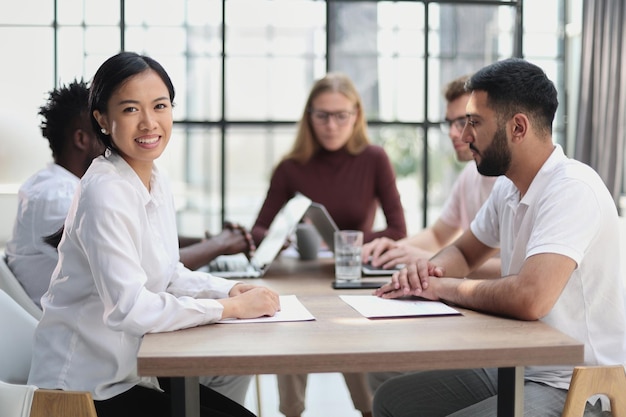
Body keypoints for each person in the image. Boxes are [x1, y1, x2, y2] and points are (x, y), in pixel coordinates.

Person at [27, 51, 281, 417]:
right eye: (130, 109)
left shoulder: (153, 177)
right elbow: (129, 309)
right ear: (102, 119)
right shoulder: (104, 191)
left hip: (129, 372)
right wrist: (231, 308)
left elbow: (168, 272)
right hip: (82, 390)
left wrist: (226, 289)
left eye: (160, 106)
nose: (149, 123)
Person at [372, 58, 626, 417]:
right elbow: (463, 251)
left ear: (518, 127)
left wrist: (441, 287)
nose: (463, 136)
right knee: (393, 401)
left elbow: (529, 298)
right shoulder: (508, 188)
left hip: (575, 383)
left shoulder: (573, 189)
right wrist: (425, 274)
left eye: (474, 122)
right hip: (518, 365)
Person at [5, 79, 255, 307]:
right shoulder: (57, 196)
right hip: (77, 334)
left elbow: (143, 240)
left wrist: (214, 242)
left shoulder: (99, 184)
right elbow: (143, 271)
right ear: (83, 137)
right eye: (103, 127)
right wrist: (218, 247)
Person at [252, 72, 407, 417]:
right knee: (290, 355)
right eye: (322, 115)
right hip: (299, 280)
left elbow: (398, 230)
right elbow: (259, 231)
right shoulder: (291, 168)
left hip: (350, 283)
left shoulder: (374, 159)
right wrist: (287, 236)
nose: (332, 125)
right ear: (309, 117)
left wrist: (347, 241)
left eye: (341, 116)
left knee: (368, 393)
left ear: (356, 116)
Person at [361, 74, 499, 278]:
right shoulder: (470, 174)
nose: (454, 133)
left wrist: (427, 259)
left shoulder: (510, 182)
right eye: (450, 123)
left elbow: (509, 268)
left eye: (464, 121)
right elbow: (438, 235)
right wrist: (395, 249)